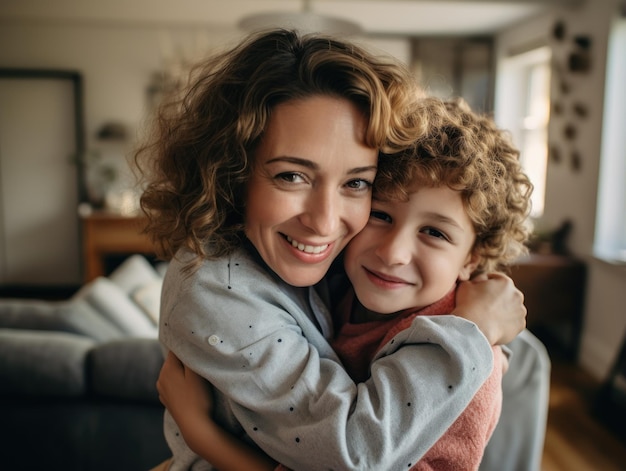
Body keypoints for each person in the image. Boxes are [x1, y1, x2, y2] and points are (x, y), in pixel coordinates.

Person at [136, 28, 529, 471]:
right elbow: (351, 451)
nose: (325, 222)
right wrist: (470, 328)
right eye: (291, 176)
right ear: (231, 172)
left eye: (356, 183)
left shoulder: (340, 272)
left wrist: (203, 435)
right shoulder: (217, 286)